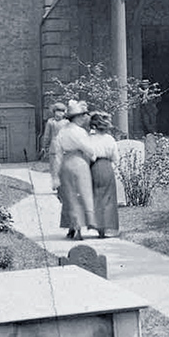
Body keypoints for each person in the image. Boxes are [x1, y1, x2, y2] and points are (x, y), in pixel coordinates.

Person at [54, 100, 98, 240]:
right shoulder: (79, 132)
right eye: (82, 116)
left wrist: (55, 174)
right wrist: (95, 157)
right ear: (76, 117)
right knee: (84, 194)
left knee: (69, 196)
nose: (84, 118)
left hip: (66, 164)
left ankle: (73, 226)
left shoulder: (62, 131)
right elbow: (89, 149)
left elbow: (58, 153)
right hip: (79, 162)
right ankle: (83, 225)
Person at [88, 111, 119, 238]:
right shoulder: (110, 139)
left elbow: (90, 155)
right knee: (108, 198)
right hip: (107, 166)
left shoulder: (90, 139)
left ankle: (98, 226)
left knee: (96, 196)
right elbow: (115, 157)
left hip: (94, 167)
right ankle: (106, 227)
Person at [38, 102, 68, 190]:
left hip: (57, 146)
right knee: (57, 167)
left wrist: (44, 146)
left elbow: (46, 135)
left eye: (61, 111)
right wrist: (44, 146)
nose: (59, 113)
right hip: (60, 147)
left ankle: (58, 184)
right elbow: (46, 135)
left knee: (56, 167)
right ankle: (60, 185)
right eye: (58, 111)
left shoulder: (52, 122)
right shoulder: (63, 122)